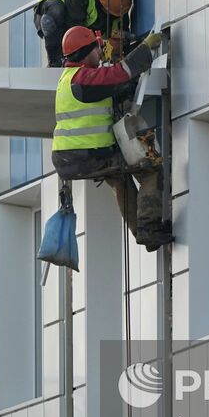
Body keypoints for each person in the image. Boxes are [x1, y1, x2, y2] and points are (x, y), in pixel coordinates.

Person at [52, 25, 171, 250]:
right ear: (86, 51)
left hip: (70, 158)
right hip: (89, 154)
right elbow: (118, 74)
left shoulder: (67, 80)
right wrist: (146, 48)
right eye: (97, 49)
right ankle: (148, 229)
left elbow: (110, 89)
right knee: (150, 168)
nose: (100, 54)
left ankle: (143, 233)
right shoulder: (84, 78)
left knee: (120, 180)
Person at [34, 0, 135, 67]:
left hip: (78, 23)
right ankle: (54, 63)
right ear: (104, 6)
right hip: (48, 12)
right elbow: (75, 32)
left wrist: (119, 48)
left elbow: (121, 33)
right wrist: (98, 47)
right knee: (56, 10)